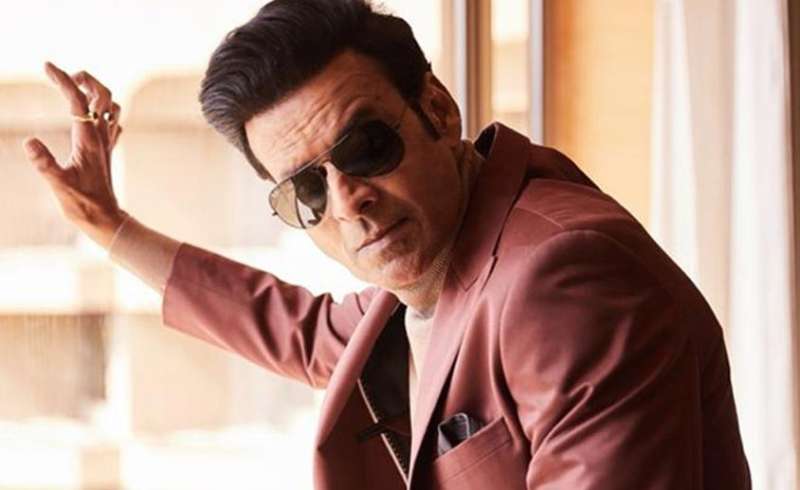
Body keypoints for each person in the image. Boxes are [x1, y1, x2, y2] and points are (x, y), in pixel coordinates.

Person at [22, 0, 751, 488]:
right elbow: (300, 331)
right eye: (306, 190)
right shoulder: (442, 267)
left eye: (366, 147)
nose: (347, 202)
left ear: (438, 108)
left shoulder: (562, 280)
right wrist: (107, 224)